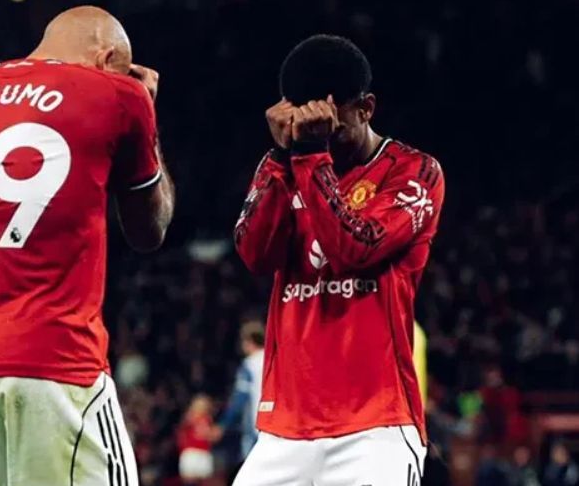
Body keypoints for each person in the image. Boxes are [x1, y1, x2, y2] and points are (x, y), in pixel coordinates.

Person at [0, 6, 175, 486]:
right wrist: (146, 112)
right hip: (53, 360)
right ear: (107, 57)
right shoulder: (119, 93)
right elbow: (149, 230)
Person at [233, 34, 445, 485]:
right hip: (284, 429)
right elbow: (254, 254)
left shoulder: (415, 172)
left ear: (366, 108)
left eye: (333, 128)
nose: (323, 139)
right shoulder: (288, 164)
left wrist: (310, 155)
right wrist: (281, 156)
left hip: (376, 427)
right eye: (310, 127)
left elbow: (356, 248)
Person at [214, 321, 265, 469]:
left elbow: (240, 398)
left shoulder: (249, 365)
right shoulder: (275, 360)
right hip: (275, 427)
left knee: (251, 471)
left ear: (248, 341)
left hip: (255, 426)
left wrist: (223, 424)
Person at [177, 395, 216, 484]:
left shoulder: (208, 420)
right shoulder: (189, 418)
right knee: (189, 481)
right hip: (191, 453)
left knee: (203, 481)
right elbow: (181, 435)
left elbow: (211, 437)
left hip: (203, 453)